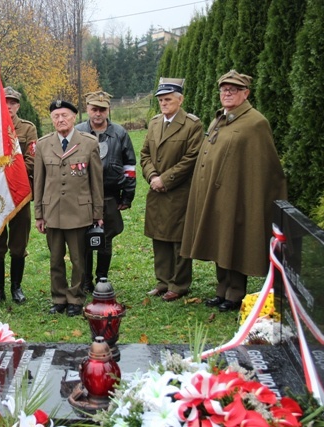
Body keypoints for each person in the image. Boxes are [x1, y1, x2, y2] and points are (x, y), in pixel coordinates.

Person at [181, 70, 287, 312]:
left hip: (238, 195)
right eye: (224, 90)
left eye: (234, 90)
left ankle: (235, 293)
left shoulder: (255, 123)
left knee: (235, 241)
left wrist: (251, 196)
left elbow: (263, 165)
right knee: (220, 239)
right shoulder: (220, 119)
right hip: (215, 194)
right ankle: (222, 289)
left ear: (245, 93)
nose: (227, 93)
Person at [34, 100, 103, 317]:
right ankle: (59, 298)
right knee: (55, 259)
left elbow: (96, 182)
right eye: (56, 116)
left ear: (74, 117)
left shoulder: (88, 143)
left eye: (64, 115)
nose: (60, 120)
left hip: (79, 212)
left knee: (78, 260)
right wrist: (39, 214)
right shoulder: (43, 145)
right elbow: (39, 182)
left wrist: (97, 213)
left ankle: (75, 298)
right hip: (52, 211)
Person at [141, 78, 202, 302]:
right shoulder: (155, 122)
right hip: (156, 190)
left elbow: (191, 158)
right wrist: (152, 176)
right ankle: (162, 281)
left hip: (179, 191)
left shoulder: (192, 124)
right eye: (161, 100)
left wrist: (165, 179)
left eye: (168, 99)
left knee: (179, 239)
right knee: (159, 236)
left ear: (180, 99)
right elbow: (145, 153)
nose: (164, 103)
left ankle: (179, 284)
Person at [75, 91, 136, 292]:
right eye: (94, 109)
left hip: (110, 195)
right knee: (84, 239)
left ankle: (102, 278)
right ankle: (84, 281)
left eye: (102, 109)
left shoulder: (119, 133)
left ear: (108, 110)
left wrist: (127, 195)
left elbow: (129, 166)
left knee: (105, 238)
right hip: (83, 196)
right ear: (87, 109)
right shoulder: (78, 132)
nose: (98, 113)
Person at [0, 87, 37, 304]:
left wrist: (10, 176)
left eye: (13, 103)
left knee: (18, 245)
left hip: (18, 193)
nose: (9, 107)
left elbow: (32, 159)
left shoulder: (27, 129)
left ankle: (16, 287)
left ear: (18, 106)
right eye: (5, 102)